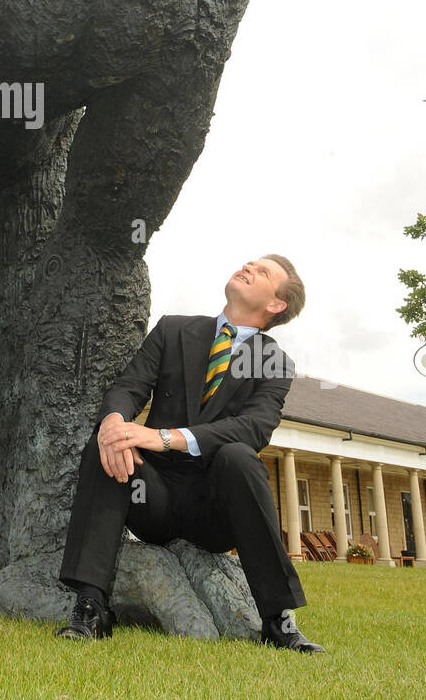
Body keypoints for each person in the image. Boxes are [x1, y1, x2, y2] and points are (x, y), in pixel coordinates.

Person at [56, 255, 324, 652]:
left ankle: (277, 619)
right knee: (108, 440)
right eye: (249, 262)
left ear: (276, 305)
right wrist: (114, 420)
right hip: (153, 498)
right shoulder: (174, 329)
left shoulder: (273, 361)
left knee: (240, 456)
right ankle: (91, 606)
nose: (248, 267)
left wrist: (164, 437)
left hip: (214, 512)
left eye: (263, 272)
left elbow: (255, 427)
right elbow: (129, 387)